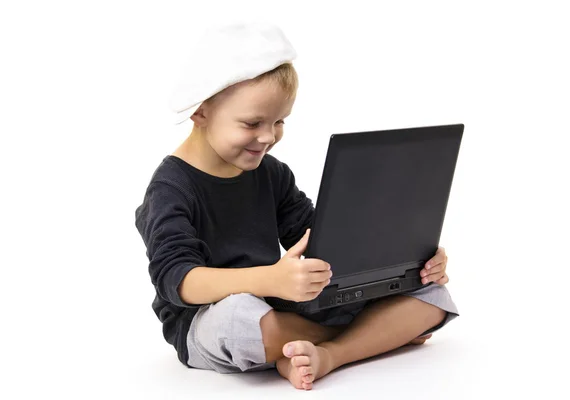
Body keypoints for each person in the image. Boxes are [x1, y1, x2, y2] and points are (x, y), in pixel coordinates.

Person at [134, 22, 459, 391]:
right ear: (200, 112)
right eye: (252, 123)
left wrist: (411, 258)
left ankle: (327, 355)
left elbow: (316, 238)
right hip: (207, 319)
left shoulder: (270, 172)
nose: (268, 137)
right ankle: (375, 333)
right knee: (239, 322)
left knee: (432, 295)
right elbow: (178, 281)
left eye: (279, 122)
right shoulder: (170, 188)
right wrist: (269, 278)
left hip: (282, 303)